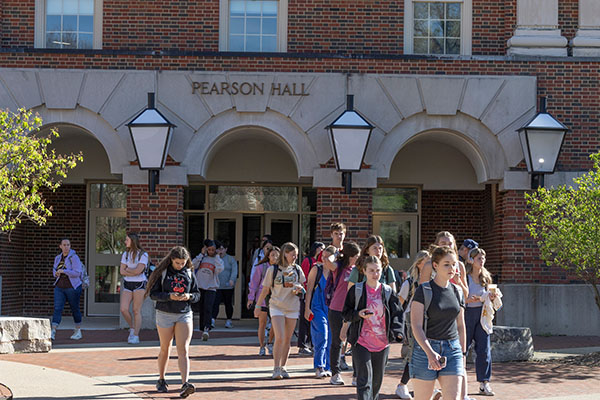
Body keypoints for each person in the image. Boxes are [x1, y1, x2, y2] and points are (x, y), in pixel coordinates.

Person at [409, 246, 466, 400]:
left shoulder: (457, 291)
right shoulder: (424, 290)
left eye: (454, 264)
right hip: (425, 350)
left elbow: (461, 325)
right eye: (446, 264)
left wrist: (463, 354)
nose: (452, 268)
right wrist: (429, 352)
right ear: (435, 265)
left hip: (452, 349)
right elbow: (416, 325)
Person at [343, 256, 404, 400]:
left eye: (377, 271)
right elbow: (346, 313)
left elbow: (397, 313)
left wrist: (398, 332)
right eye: (371, 271)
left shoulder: (388, 291)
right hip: (361, 341)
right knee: (364, 380)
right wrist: (358, 314)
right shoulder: (356, 290)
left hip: (382, 343)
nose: (374, 274)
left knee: (376, 382)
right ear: (364, 271)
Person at [146, 246, 200, 398]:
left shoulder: (189, 272)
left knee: (183, 349)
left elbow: (197, 294)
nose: (180, 266)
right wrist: (170, 296)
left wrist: (189, 296)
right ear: (171, 260)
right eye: (177, 263)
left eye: (183, 263)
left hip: (184, 313)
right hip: (165, 313)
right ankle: (161, 379)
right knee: (165, 348)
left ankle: (185, 383)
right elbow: (153, 294)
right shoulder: (162, 272)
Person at [254, 242, 306, 379]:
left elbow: (302, 285)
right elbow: (265, 289)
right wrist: (258, 306)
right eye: (292, 254)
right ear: (285, 254)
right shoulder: (273, 269)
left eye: (296, 254)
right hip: (276, 305)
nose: (295, 257)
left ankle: (283, 366)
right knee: (280, 337)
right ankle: (276, 368)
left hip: (292, 307)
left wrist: (300, 289)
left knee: (287, 339)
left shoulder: (297, 270)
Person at [395, 250, 431, 399]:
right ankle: (402, 385)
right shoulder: (409, 283)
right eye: (427, 261)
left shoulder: (433, 282)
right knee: (414, 353)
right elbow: (398, 305)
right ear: (419, 263)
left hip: (429, 319)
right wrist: (397, 326)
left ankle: (424, 385)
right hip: (411, 320)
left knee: (427, 353)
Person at [327, 241, 361, 385]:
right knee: (337, 341)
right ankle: (335, 374)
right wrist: (337, 253)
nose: (358, 259)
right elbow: (327, 260)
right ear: (350, 256)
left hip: (352, 310)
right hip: (336, 309)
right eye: (356, 256)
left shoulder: (357, 270)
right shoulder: (339, 268)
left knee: (354, 341)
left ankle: (356, 375)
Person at [465, 248, 496, 396]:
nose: (481, 260)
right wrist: (467, 300)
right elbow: (458, 296)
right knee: (462, 348)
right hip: (467, 313)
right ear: (471, 260)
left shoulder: (486, 278)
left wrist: (492, 296)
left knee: (484, 349)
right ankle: (456, 379)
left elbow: (492, 296)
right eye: (478, 258)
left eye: (483, 258)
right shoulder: (465, 277)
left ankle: (484, 383)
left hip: (483, 315)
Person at [304, 242, 331, 378]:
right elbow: (308, 290)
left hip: (331, 308)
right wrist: (307, 308)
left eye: (329, 257)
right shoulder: (316, 269)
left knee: (331, 338)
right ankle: (319, 366)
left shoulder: (335, 272)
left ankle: (328, 366)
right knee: (322, 334)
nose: (325, 259)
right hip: (317, 306)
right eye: (324, 256)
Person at [247, 245, 278, 355]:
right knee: (262, 323)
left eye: (277, 255)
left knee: (275, 323)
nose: (275, 257)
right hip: (263, 298)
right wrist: (251, 298)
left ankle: (270, 342)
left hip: (276, 299)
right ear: (268, 256)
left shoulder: (281, 268)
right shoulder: (262, 267)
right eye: (272, 255)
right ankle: (261, 346)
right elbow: (254, 283)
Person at [51, 238, 84, 341]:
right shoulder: (57, 258)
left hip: (72, 287)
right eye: (64, 245)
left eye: (68, 245)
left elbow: (77, 273)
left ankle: (78, 330)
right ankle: (53, 330)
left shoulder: (74, 258)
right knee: (57, 308)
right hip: (60, 287)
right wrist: (56, 273)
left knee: (74, 308)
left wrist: (64, 271)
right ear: (60, 246)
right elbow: (54, 270)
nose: (66, 247)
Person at [191, 239, 224, 340]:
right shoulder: (202, 258)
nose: (211, 251)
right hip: (200, 286)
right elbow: (192, 265)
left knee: (208, 308)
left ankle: (207, 328)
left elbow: (219, 270)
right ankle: (202, 329)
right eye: (209, 249)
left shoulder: (218, 260)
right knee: (201, 308)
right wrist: (201, 254)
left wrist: (217, 256)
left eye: (213, 250)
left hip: (211, 287)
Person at [119, 233, 148, 344]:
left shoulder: (143, 255)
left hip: (140, 284)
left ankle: (136, 335)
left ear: (133, 241)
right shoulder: (125, 254)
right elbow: (122, 271)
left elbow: (138, 271)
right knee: (124, 309)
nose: (125, 242)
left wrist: (128, 270)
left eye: (127, 240)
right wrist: (133, 271)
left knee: (136, 310)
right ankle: (132, 328)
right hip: (127, 284)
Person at [298, 241, 325, 355]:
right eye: (321, 248)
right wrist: (305, 292)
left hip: (318, 294)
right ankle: (302, 345)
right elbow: (304, 277)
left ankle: (312, 344)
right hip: (308, 292)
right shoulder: (308, 261)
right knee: (305, 320)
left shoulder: (322, 263)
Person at [212, 240, 238, 329]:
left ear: (226, 249)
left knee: (228, 303)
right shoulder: (214, 258)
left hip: (227, 286)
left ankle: (229, 320)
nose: (220, 251)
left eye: (222, 249)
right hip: (217, 285)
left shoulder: (231, 259)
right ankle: (212, 320)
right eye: (218, 249)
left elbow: (234, 271)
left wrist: (232, 280)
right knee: (215, 303)